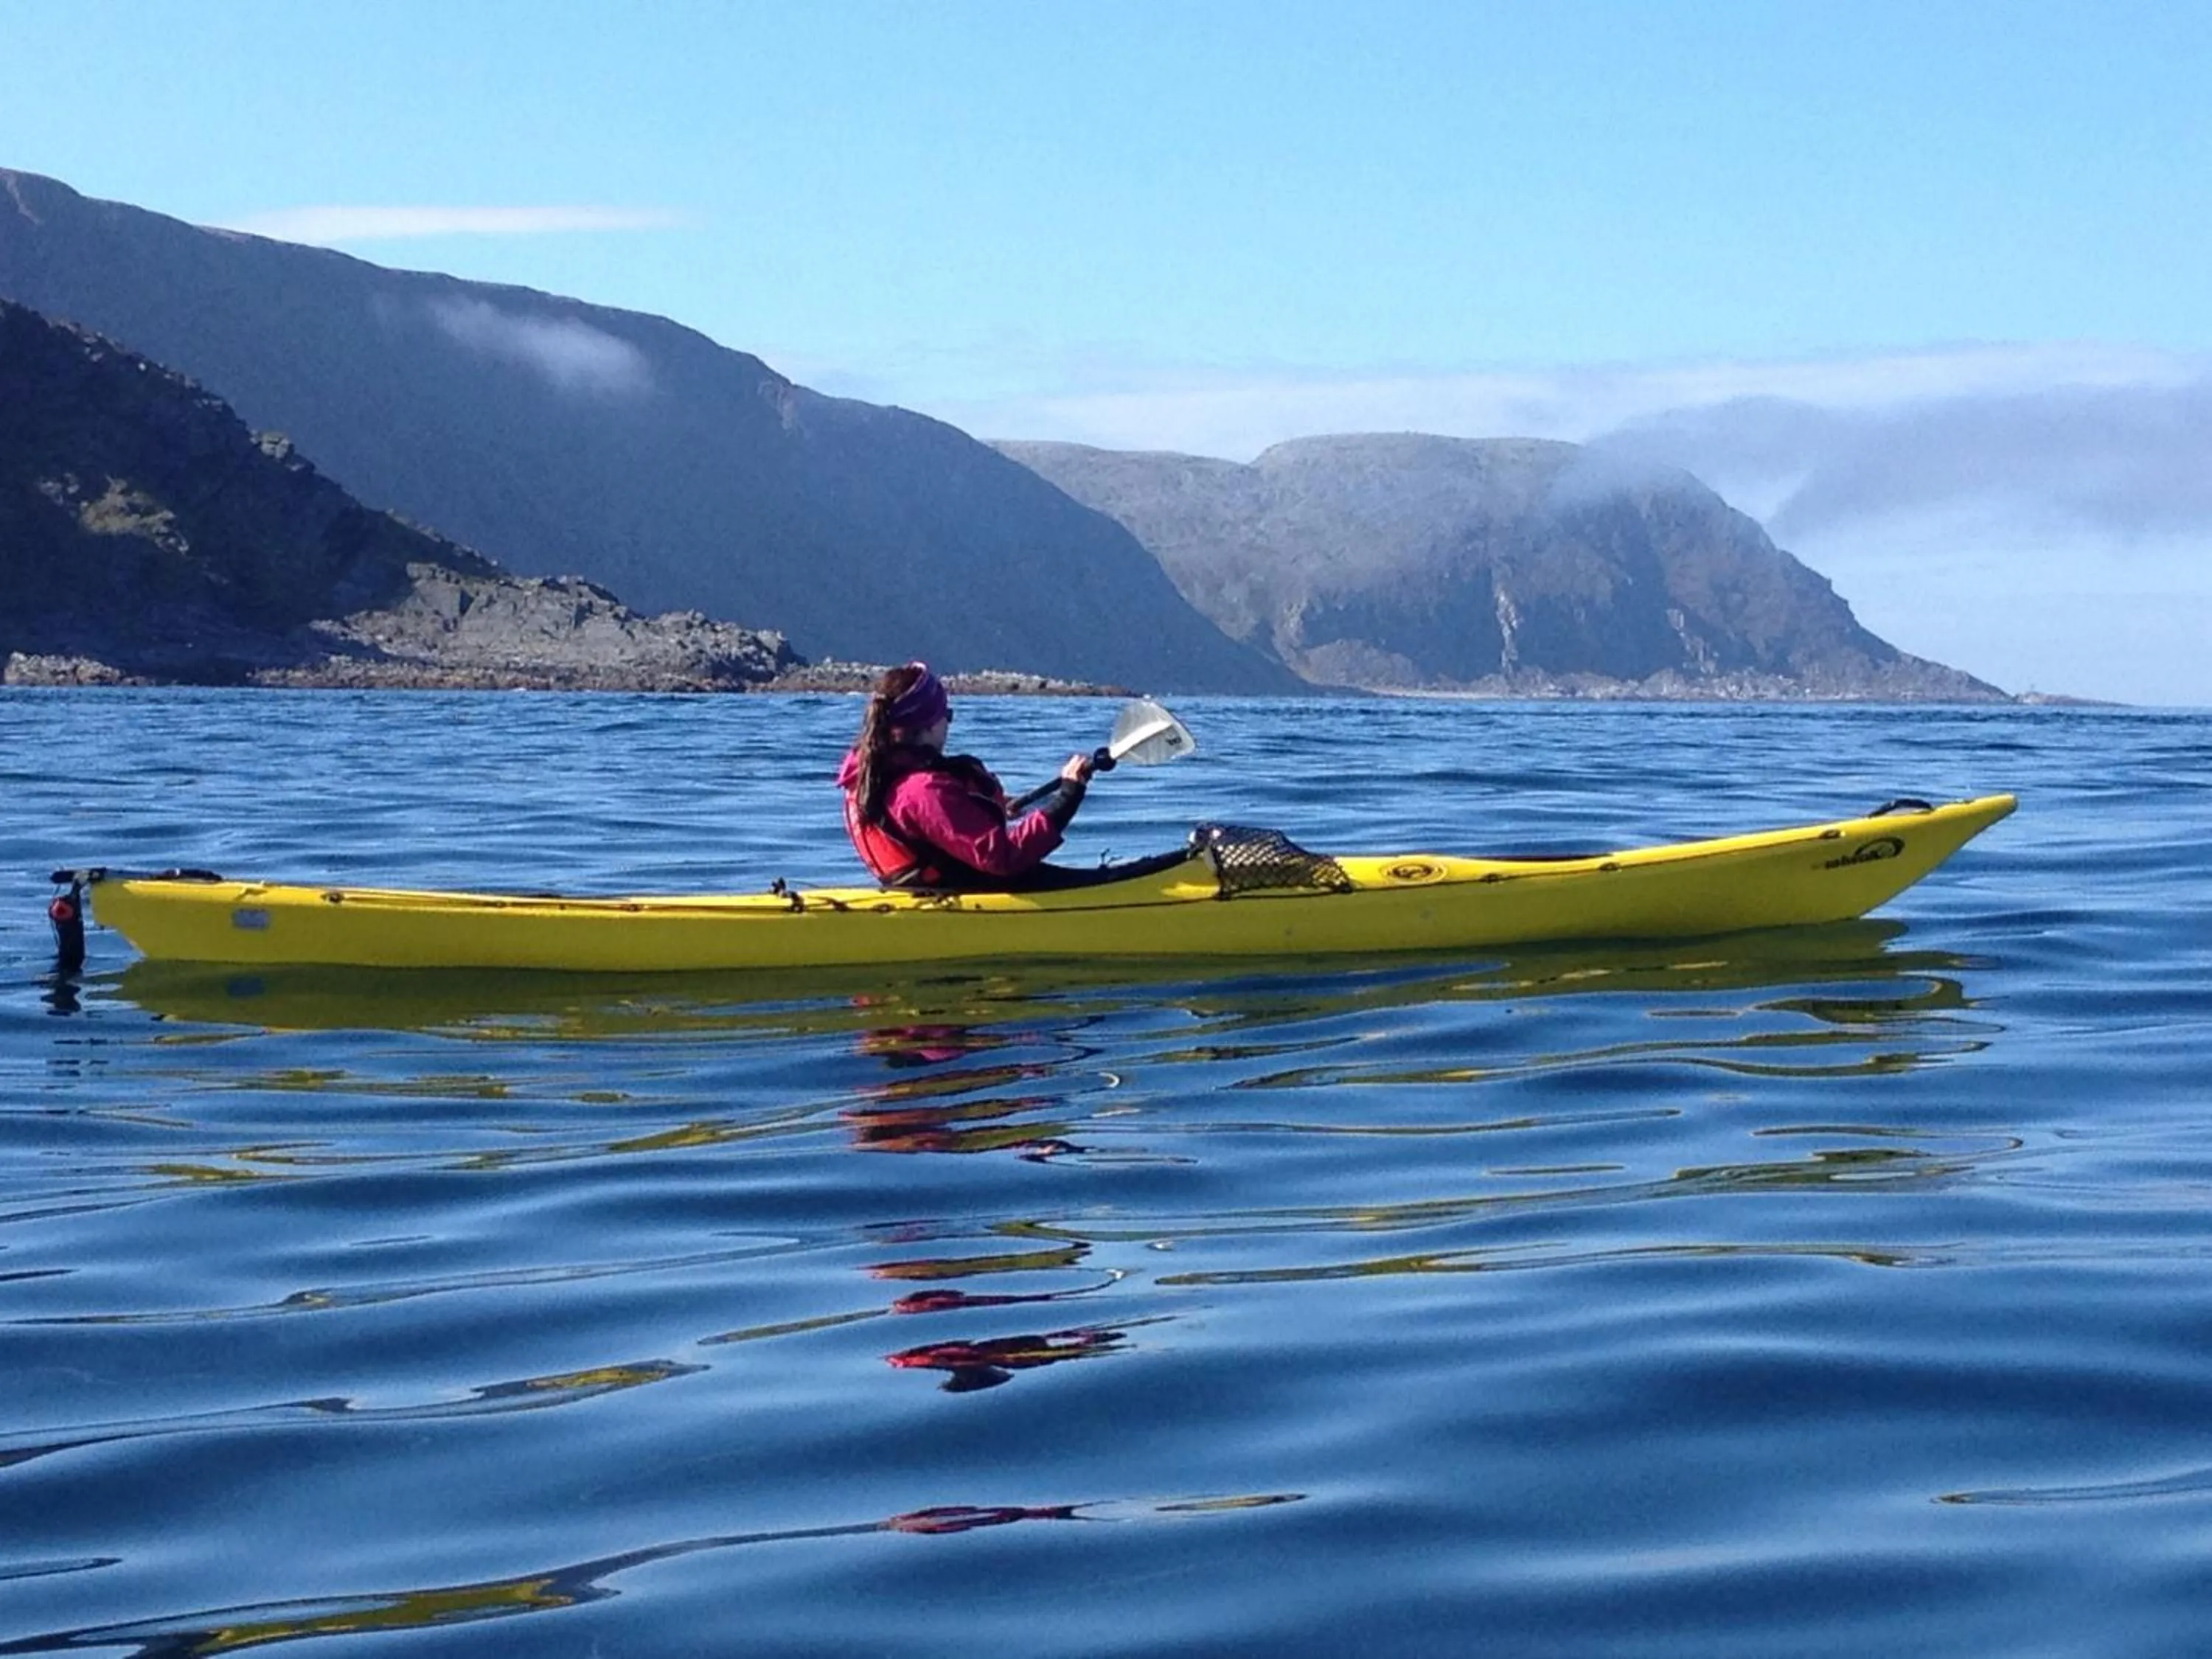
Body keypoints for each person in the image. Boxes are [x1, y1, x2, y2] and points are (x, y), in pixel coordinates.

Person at [838, 663, 1096, 891]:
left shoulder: (869, 775)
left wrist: (981, 809)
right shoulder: (923, 791)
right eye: (947, 717)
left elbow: (922, 824)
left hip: (920, 890)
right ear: (928, 725)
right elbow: (1005, 857)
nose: (949, 725)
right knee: (1106, 878)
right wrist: (1068, 797)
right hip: (962, 893)